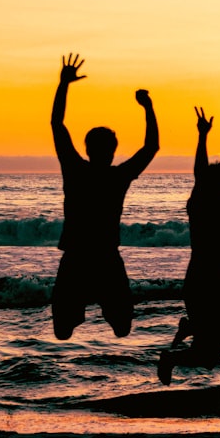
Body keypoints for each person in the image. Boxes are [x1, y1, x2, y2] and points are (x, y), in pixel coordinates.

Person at [50, 53, 159, 340]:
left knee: (63, 331)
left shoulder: (76, 170)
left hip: (78, 258)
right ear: (112, 151)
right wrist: (148, 107)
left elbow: (57, 125)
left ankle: (80, 312)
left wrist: (64, 85)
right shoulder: (117, 176)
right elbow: (152, 146)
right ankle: (90, 310)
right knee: (122, 328)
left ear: (87, 149)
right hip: (104, 259)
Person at [157, 105, 220, 386]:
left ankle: (189, 332)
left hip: (218, 283)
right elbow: (201, 170)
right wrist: (202, 137)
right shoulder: (200, 202)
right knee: (213, 352)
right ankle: (187, 337)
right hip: (202, 284)